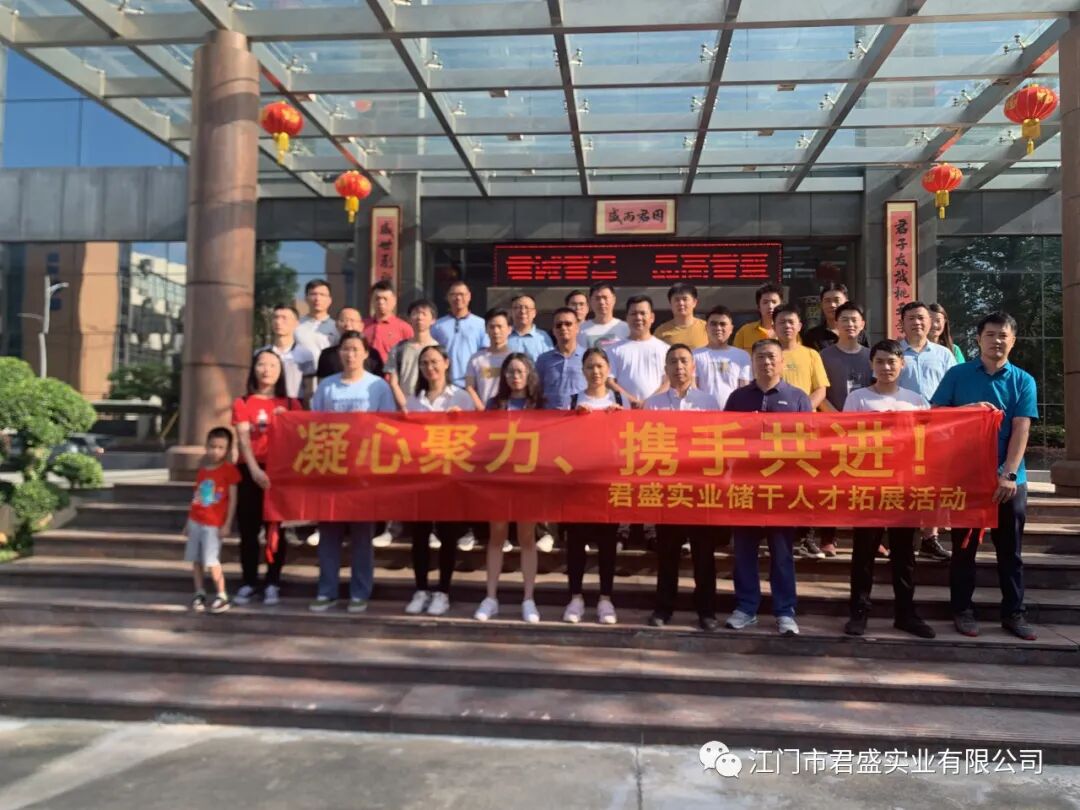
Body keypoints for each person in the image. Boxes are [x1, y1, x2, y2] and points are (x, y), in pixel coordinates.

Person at [931, 312, 1039, 642]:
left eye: (1003, 335)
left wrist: (1009, 473)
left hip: (1009, 480)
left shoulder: (1023, 380)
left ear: (1013, 341)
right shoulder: (957, 374)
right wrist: (968, 411)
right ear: (978, 339)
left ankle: (1014, 613)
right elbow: (935, 416)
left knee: (1011, 551)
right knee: (964, 550)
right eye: (990, 335)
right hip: (966, 478)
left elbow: (1022, 428)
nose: (996, 341)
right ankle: (962, 610)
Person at [842, 340, 936, 639]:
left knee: (905, 554)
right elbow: (845, 441)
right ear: (871, 365)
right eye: (880, 361)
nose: (886, 367)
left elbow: (928, 443)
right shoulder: (858, 399)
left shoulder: (916, 401)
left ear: (902, 365)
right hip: (868, 487)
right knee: (864, 553)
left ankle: (905, 613)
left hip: (904, 488)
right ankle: (859, 611)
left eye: (892, 361)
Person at [724, 339, 811, 636]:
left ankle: (785, 611)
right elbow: (725, 440)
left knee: (782, 553)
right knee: (744, 551)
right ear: (752, 362)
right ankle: (746, 607)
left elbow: (810, 444)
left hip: (783, 489)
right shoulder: (737, 398)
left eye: (772, 357)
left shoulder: (797, 398)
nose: (767, 362)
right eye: (760, 357)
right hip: (745, 487)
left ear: (783, 362)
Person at [308, 331, 396, 613]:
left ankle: (360, 592)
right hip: (332, 470)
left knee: (361, 536)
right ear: (339, 353)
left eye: (356, 349)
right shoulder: (327, 386)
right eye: (346, 349)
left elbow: (388, 427)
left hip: (364, 473)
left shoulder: (378, 387)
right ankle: (327, 590)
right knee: (329, 535)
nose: (350, 354)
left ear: (366, 353)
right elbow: (313, 426)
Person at [644, 344, 721, 631]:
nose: (679, 366)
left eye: (684, 361)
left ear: (693, 366)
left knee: (704, 554)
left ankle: (706, 611)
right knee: (667, 553)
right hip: (668, 490)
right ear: (665, 368)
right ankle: (663, 608)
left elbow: (716, 445)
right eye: (673, 361)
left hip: (700, 489)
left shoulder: (708, 401)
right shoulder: (653, 405)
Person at [402, 345, 474, 617]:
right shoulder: (414, 401)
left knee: (447, 535)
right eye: (424, 363)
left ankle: (443, 591)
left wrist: (461, 420)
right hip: (420, 476)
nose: (429, 368)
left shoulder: (461, 397)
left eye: (434, 362)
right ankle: (421, 589)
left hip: (450, 476)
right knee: (420, 535)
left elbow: (478, 434)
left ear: (446, 363)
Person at [474, 353, 544, 623]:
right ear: (503, 376)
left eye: (520, 371)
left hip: (529, 481)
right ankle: (490, 597)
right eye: (510, 372)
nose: (515, 377)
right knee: (497, 537)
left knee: (527, 538)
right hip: (499, 480)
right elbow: (482, 439)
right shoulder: (495, 405)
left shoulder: (540, 405)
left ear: (529, 374)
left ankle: (528, 599)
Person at [232, 350, 304, 606]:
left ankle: (273, 581)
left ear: (281, 371)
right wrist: (254, 470)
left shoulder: (292, 404)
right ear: (254, 369)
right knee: (249, 530)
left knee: (276, 529)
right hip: (250, 470)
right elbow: (243, 439)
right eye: (261, 364)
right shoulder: (243, 402)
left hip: (280, 472)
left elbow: (300, 440)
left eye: (273, 365)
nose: (267, 370)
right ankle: (249, 581)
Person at [560, 347, 623, 625]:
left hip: (607, 484)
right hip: (578, 485)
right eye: (589, 367)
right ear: (582, 370)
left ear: (608, 369)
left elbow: (628, 442)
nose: (595, 372)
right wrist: (574, 419)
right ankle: (575, 597)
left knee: (607, 544)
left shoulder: (618, 399)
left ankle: (605, 599)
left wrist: (619, 419)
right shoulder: (573, 400)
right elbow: (560, 442)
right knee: (576, 543)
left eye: (599, 366)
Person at [898, 300, 957, 562]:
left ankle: (929, 538)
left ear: (931, 322)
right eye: (911, 318)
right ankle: (903, 535)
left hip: (937, 429)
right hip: (902, 430)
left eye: (921, 318)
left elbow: (955, 389)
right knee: (903, 483)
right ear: (902, 323)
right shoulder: (895, 353)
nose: (917, 323)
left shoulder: (944, 355)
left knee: (934, 484)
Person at [816, 302, 872, 557]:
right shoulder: (823, 356)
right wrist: (838, 419)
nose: (850, 324)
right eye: (845, 320)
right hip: (832, 427)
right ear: (835, 324)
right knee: (831, 483)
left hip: (865, 430)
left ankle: (870, 535)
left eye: (854, 320)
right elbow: (820, 391)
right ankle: (828, 536)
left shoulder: (871, 356)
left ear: (862, 325)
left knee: (865, 485)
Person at [184, 426, 240, 615]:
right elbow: (196, 497)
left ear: (227, 450)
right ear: (206, 447)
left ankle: (222, 594)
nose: (216, 451)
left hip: (214, 523)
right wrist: (188, 521)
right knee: (196, 559)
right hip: (196, 520)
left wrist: (227, 523)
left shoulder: (229, 471)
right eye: (212, 446)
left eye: (220, 447)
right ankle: (199, 591)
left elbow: (232, 500)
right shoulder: (202, 471)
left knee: (212, 559)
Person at [607, 296, 669, 407]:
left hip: (656, 410)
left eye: (643, 313)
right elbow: (609, 381)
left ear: (652, 317)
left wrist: (649, 402)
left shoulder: (665, 349)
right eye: (633, 314)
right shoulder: (613, 350)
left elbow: (668, 381)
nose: (638, 317)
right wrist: (631, 400)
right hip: (624, 409)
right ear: (627, 318)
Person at [692, 305, 751, 409]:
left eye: (723, 324)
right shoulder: (694, 355)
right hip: (702, 413)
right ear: (706, 328)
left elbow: (744, 389)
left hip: (733, 413)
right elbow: (693, 388)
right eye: (713, 324)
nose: (718, 328)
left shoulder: (742, 356)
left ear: (731, 329)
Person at [432, 280, 489, 388]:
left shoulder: (481, 324)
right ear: (447, 297)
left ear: (469, 296)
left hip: (472, 383)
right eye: (453, 294)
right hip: (444, 383)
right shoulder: (437, 326)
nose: (458, 298)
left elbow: (485, 355)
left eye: (462, 294)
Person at [386, 299, 439, 411]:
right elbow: (393, 382)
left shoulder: (438, 350)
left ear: (433, 320)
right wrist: (404, 406)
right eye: (415, 313)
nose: (419, 317)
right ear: (409, 319)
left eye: (424, 313)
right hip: (404, 407)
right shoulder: (398, 349)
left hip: (431, 407)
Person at [773, 305, 829, 411]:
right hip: (776, 416)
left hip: (806, 417)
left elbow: (820, 390)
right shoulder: (768, 356)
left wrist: (803, 409)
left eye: (791, 322)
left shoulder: (812, 354)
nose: (787, 326)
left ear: (799, 326)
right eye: (782, 322)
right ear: (774, 327)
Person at [258, 304, 316, 400]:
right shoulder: (261, 354)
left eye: (284, 318)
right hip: (266, 403)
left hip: (295, 404)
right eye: (275, 317)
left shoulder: (305, 355)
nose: (278, 322)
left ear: (296, 323)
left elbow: (309, 389)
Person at [535, 307, 587, 411]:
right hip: (550, 416)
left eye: (568, 324)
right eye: (559, 325)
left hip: (580, 415)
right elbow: (537, 391)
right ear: (554, 330)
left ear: (577, 328)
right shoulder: (543, 359)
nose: (563, 328)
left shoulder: (588, 357)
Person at [465, 308, 513, 411]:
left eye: (500, 327)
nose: (496, 331)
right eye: (492, 327)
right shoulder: (476, 359)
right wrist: (482, 410)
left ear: (509, 329)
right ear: (486, 329)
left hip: (509, 413)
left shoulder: (515, 359)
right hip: (483, 414)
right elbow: (469, 387)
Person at [802, 282, 868, 351]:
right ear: (821, 304)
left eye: (837, 300)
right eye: (827, 301)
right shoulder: (812, 336)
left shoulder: (859, 333)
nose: (832, 305)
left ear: (846, 302)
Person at [363, 280, 414, 365]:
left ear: (394, 301)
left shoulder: (404, 328)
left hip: (390, 372)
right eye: (377, 298)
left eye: (385, 299)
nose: (381, 302)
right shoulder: (362, 325)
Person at [316, 308, 368, 381]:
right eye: (343, 320)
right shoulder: (327, 355)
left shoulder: (373, 355)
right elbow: (322, 383)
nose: (348, 324)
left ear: (361, 326)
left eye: (352, 320)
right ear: (336, 325)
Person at [295, 279, 340, 361]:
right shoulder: (296, 325)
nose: (317, 298)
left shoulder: (336, 327)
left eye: (322, 295)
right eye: (313, 294)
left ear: (330, 300)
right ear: (306, 298)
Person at [654, 282, 708, 349]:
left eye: (685, 299)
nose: (681, 303)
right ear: (670, 304)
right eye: (677, 300)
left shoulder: (707, 328)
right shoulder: (661, 331)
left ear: (694, 302)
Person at [733, 282, 784, 351]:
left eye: (774, 302)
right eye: (765, 302)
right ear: (759, 307)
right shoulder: (744, 332)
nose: (770, 306)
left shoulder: (788, 331)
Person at [578, 282, 629, 349]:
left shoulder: (626, 328)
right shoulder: (581, 329)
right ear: (590, 301)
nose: (601, 302)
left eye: (605, 298)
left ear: (614, 299)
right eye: (597, 298)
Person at [507, 293, 554, 361]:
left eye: (527, 308)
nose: (523, 311)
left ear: (534, 313)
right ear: (511, 312)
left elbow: (549, 362)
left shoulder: (543, 337)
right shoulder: (503, 335)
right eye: (518, 308)